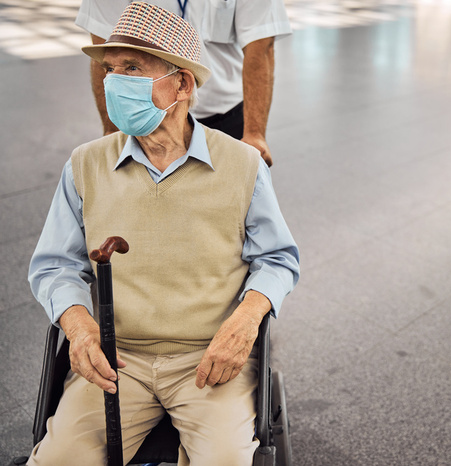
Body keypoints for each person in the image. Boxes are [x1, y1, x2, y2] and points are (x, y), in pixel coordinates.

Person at [26, 3, 299, 465]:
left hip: (208, 361)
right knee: (58, 460)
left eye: (133, 67)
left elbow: (277, 259)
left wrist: (246, 319)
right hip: (115, 361)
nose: (114, 81)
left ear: (183, 83)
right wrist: (79, 326)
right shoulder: (85, 165)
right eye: (111, 69)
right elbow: (55, 264)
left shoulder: (242, 165)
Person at [76, 0, 292, 167]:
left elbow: (260, 49)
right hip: (144, 115)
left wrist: (254, 133)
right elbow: (105, 53)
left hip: (225, 113)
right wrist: (112, 132)